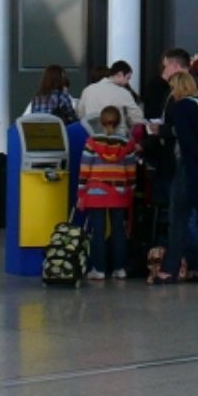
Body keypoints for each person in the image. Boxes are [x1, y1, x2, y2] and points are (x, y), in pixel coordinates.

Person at [152, 70, 198, 284]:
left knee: (179, 218)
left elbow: (186, 142)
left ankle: (170, 269)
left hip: (191, 168)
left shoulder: (182, 107)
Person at [77, 105, 138, 280]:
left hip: (96, 192)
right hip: (119, 192)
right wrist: (131, 188)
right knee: (119, 230)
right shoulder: (127, 142)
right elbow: (131, 169)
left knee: (98, 231)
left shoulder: (92, 142)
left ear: (101, 122)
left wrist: (81, 192)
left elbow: (85, 169)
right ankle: (119, 268)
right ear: (119, 122)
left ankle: (99, 269)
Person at [78, 60, 146, 127]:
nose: (127, 82)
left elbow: (81, 114)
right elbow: (137, 118)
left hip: (92, 134)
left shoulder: (87, 90)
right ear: (120, 74)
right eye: (127, 78)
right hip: (118, 136)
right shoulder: (123, 93)